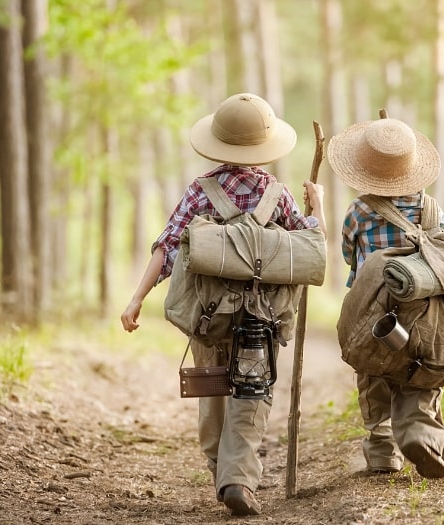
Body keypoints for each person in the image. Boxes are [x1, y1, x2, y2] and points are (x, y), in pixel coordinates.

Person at [120, 93, 325, 516]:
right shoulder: (278, 194)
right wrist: (317, 207)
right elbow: (309, 248)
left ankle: (220, 467)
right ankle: (237, 479)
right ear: (264, 148)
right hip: (260, 319)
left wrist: (137, 298)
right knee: (252, 395)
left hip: (207, 316)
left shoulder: (200, 191)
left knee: (212, 393)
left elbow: (167, 247)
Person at [327, 116, 444, 478]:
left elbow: (349, 257)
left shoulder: (359, 212)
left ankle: (382, 449)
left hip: (376, 312)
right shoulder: (434, 211)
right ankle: (419, 432)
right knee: (422, 371)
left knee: (374, 372)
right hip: (427, 311)